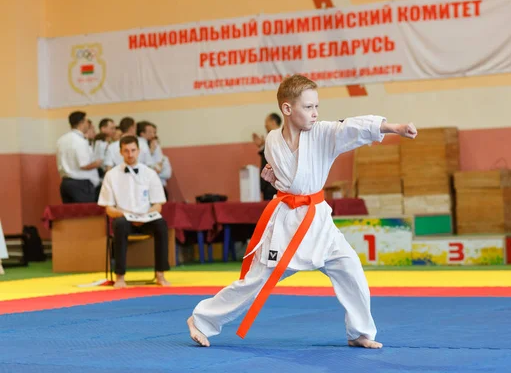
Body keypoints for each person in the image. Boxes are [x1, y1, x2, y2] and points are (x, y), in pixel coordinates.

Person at [187, 74, 417, 348]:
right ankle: (200, 320)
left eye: (316, 106)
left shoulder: (322, 133)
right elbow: (285, 173)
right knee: (254, 283)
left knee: (350, 269)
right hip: (286, 224)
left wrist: (393, 127)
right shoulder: (273, 140)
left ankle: (359, 332)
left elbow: (350, 126)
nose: (315, 113)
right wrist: (275, 179)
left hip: (317, 221)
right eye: (308, 107)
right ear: (287, 109)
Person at [98, 135, 171, 288]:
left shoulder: (150, 173)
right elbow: (109, 209)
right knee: (120, 225)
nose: (130, 154)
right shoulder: (111, 175)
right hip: (124, 218)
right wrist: (127, 215)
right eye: (126, 151)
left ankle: (161, 274)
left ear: (138, 151)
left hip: (146, 218)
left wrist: (145, 215)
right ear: (120, 152)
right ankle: (120, 277)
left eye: (133, 150)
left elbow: (158, 205)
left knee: (161, 224)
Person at [56, 111, 102, 203]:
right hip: (81, 184)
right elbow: (84, 165)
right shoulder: (79, 141)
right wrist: (97, 163)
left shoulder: (61, 139)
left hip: (65, 182)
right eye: (86, 122)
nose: (87, 125)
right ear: (81, 123)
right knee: (85, 215)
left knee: (70, 216)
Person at [252, 113, 282, 200]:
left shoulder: (282, 136)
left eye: (266, 122)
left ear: (273, 122)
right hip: (268, 184)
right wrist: (262, 146)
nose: (265, 125)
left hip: (276, 184)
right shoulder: (270, 138)